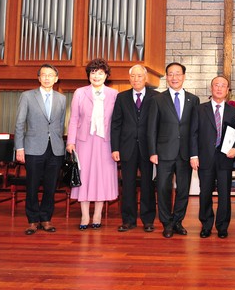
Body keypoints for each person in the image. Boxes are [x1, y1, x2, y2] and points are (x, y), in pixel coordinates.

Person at [148, 62, 200, 238]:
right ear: (166, 77)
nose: (174, 77)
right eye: (170, 74)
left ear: (184, 77)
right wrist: (152, 151)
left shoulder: (193, 100)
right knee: (163, 188)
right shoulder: (157, 99)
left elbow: (194, 129)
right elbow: (152, 128)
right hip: (163, 152)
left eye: (178, 74)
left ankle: (178, 221)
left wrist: (195, 152)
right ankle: (166, 223)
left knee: (183, 189)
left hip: (185, 152)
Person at [66, 58, 119, 230]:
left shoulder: (113, 94)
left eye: (100, 73)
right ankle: (85, 215)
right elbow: (74, 119)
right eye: (93, 72)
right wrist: (70, 142)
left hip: (105, 142)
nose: (96, 76)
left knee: (101, 177)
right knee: (85, 177)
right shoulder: (80, 93)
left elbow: (116, 122)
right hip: (84, 141)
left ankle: (97, 214)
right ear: (89, 75)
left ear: (106, 75)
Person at [14, 64, 66, 235]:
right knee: (32, 186)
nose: (47, 78)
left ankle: (46, 219)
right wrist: (19, 147)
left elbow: (59, 125)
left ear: (56, 79)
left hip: (55, 149)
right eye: (44, 75)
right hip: (33, 148)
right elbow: (20, 123)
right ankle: (32, 220)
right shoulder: (27, 96)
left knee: (51, 187)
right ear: (39, 78)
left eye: (51, 75)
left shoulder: (61, 98)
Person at [189, 76, 235, 239]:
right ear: (211, 88)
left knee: (225, 194)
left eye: (223, 86)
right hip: (204, 157)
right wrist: (194, 155)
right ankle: (206, 225)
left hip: (225, 158)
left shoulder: (234, 111)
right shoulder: (199, 109)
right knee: (205, 192)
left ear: (228, 91)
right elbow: (193, 134)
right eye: (216, 85)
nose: (219, 88)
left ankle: (222, 226)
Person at [111, 64, 159, 233]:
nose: (136, 79)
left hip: (148, 149)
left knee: (147, 184)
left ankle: (148, 220)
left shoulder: (156, 97)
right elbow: (116, 124)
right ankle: (128, 220)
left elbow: (159, 125)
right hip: (127, 147)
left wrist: (156, 149)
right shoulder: (121, 97)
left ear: (145, 78)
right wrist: (115, 148)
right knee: (128, 185)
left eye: (139, 76)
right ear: (129, 78)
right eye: (133, 76)